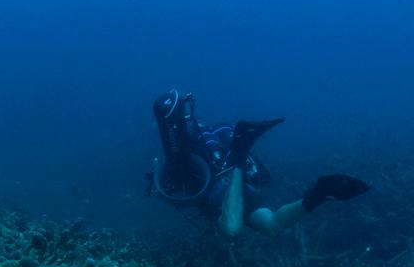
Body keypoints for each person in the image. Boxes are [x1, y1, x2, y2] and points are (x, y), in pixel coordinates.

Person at [146, 89, 369, 237]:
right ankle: (317, 195)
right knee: (272, 225)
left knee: (231, 228)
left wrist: (156, 183)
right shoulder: (215, 136)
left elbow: (170, 188)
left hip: (222, 186)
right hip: (242, 186)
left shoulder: (187, 153)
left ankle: (239, 157)